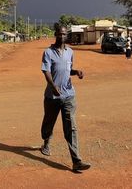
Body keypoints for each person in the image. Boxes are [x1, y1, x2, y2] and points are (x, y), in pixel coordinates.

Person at [40, 24, 91, 172]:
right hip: (52, 97)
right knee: (48, 124)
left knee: (71, 128)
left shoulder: (70, 52)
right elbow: (46, 71)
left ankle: (77, 161)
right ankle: (46, 142)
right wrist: (53, 86)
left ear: (66, 36)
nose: (62, 37)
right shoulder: (48, 52)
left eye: (64, 34)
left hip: (69, 95)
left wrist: (77, 72)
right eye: (59, 34)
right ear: (55, 34)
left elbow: (68, 70)